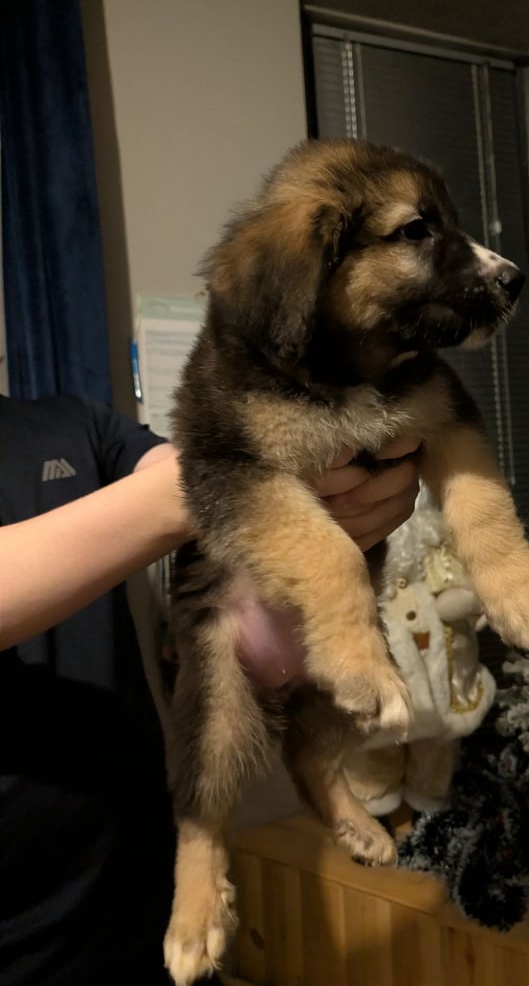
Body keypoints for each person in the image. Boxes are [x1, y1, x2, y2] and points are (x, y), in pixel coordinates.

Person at [0, 392, 420, 986]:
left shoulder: (70, 419)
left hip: (136, 869)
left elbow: (174, 467)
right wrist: (231, 473)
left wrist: (340, 489)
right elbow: (189, 485)